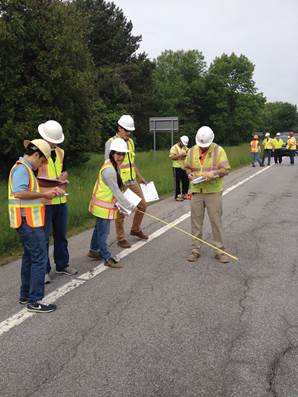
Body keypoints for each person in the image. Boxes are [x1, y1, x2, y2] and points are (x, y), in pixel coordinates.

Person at [8, 139, 64, 313]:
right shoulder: (22, 169)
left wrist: (47, 195)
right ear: (36, 155)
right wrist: (43, 193)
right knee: (39, 258)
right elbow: (19, 192)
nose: (41, 165)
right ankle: (35, 300)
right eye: (42, 161)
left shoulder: (25, 169)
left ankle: (25, 295)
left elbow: (29, 194)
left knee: (29, 257)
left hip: (27, 222)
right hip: (28, 223)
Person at [37, 120, 77, 283]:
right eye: (52, 141)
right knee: (44, 238)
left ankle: (62, 264)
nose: (54, 144)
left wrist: (64, 176)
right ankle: (44, 270)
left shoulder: (60, 152)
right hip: (44, 201)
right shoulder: (37, 153)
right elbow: (32, 178)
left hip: (60, 199)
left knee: (61, 235)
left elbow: (64, 169)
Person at [184, 126, 231, 263]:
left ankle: (219, 250)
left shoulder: (219, 150)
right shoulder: (192, 151)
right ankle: (195, 250)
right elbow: (187, 167)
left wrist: (214, 174)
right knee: (196, 222)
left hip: (213, 191)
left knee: (216, 221)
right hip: (196, 190)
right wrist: (189, 174)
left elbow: (226, 169)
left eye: (205, 145)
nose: (203, 147)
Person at [102, 114, 148, 250]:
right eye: (126, 130)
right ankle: (121, 238)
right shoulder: (111, 142)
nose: (129, 133)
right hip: (120, 182)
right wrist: (116, 184)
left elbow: (132, 162)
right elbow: (108, 164)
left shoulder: (130, 142)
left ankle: (135, 229)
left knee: (143, 205)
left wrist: (140, 177)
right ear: (119, 128)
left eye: (130, 131)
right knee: (121, 211)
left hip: (132, 180)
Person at [88, 138, 135, 267]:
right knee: (104, 233)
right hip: (103, 206)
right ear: (112, 153)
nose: (120, 157)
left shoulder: (112, 164)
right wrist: (130, 206)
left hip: (102, 204)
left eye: (123, 154)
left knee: (98, 229)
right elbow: (117, 193)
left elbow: (116, 187)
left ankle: (93, 250)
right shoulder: (109, 170)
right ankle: (107, 257)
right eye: (118, 154)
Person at [169, 135, 190, 200]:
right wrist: (180, 155)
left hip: (185, 167)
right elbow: (171, 157)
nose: (184, 145)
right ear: (180, 141)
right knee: (177, 182)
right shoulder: (174, 148)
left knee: (186, 180)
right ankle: (177, 196)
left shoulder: (186, 148)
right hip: (177, 167)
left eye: (185, 144)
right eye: (183, 144)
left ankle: (185, 194)